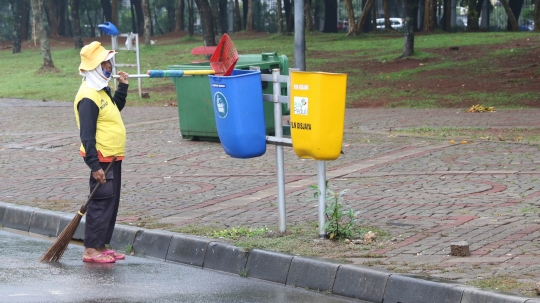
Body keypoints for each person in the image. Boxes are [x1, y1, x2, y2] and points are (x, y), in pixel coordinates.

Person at [74, 41, 129, 263]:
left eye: (109, 62)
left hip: (113, 156)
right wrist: (94, 166)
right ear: (94, 67)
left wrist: (122, 87)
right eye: (105, 62)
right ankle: (90, 250)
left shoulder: (101, 89)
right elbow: (87, 135)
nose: (109, 66)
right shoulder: (88, 96)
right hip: (101, 158)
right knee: (100, 203)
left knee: (110, 203)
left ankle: (101, 246)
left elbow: (113, 110)